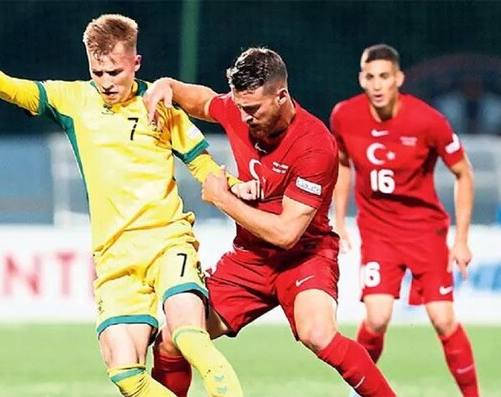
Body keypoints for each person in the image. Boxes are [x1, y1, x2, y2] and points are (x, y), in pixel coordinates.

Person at [0, 15, 246, 397]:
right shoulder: (74, 100)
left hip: (167, 241)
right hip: (114, 258)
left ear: (136, 63)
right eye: (98, 72)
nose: (107, 81)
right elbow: (15, 89)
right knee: (125, 373)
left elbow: (202, 163)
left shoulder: (160, 107)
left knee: (189, 334)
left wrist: (236, 187)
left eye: (115, 71)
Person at [143, 48, 395, 397]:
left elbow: (287, 233)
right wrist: (167, 84)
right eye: (240, 107)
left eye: (253, 109)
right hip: (250, 258)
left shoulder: (315, 144)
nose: (244, 118)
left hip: (305, 255)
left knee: (318, 334)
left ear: (282, 96)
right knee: (173, 338)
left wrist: (223, 199)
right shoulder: (239, 108)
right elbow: (203, 101)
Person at [330, 44, 479, 396]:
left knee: (443, 319)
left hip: (425, 231)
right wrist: (338, 218)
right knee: (377, 317)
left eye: (385, 77)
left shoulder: (427, 120)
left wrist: (461, 239)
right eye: (370, 77)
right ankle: (358, 391)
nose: (378, 85)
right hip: (378, 232)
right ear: (361, 79)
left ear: (399, 78)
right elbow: (341, 163)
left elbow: (464, 174)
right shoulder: (344, 116)